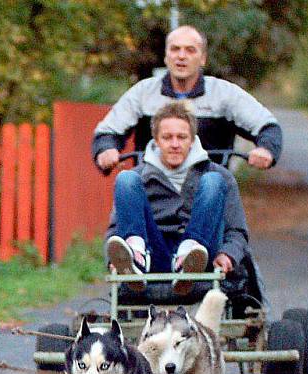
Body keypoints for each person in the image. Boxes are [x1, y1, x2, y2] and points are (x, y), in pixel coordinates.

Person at [104, 100, 248, 296]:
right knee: (125, 178)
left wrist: (228, 254)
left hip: (201, 256)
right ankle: (135, 255)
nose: (174, 144)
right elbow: (115, 228)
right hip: (154, 253)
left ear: (192, 139)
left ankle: (189, 254)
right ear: (155, 140)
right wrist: (113, 257)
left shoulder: (221, 177)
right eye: (167, 137)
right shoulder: (138, 179)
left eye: (181, 137)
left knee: (213, 180)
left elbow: (237, 231)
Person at [93, 25, 282, 173]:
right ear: (166, 57)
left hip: (208, 187)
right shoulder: (143, 93)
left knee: (222, 200)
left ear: (203, 58)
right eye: (175, 49)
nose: (181, 56)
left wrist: (266, 149)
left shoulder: (224, 94)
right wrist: (106, 150)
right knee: (126, 187)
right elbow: (108, 131)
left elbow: (267, 126)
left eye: (190, 50)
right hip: (153, 188)